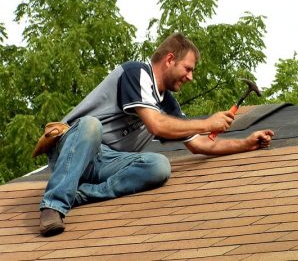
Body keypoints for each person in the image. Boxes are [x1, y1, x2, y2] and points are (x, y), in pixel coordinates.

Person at [39, 32, 274, 237]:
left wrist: (246, 143)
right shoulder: (135, 73)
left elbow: (202, 145)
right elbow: (156, 125)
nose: (191, 76)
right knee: (91, 125)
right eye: (188, 68)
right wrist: (206, 123)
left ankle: (79, 195)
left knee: (158, 165)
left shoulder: (168, 104)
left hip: (104, 164)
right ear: (170, 59)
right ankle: (54, 206)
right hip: (72, 150)